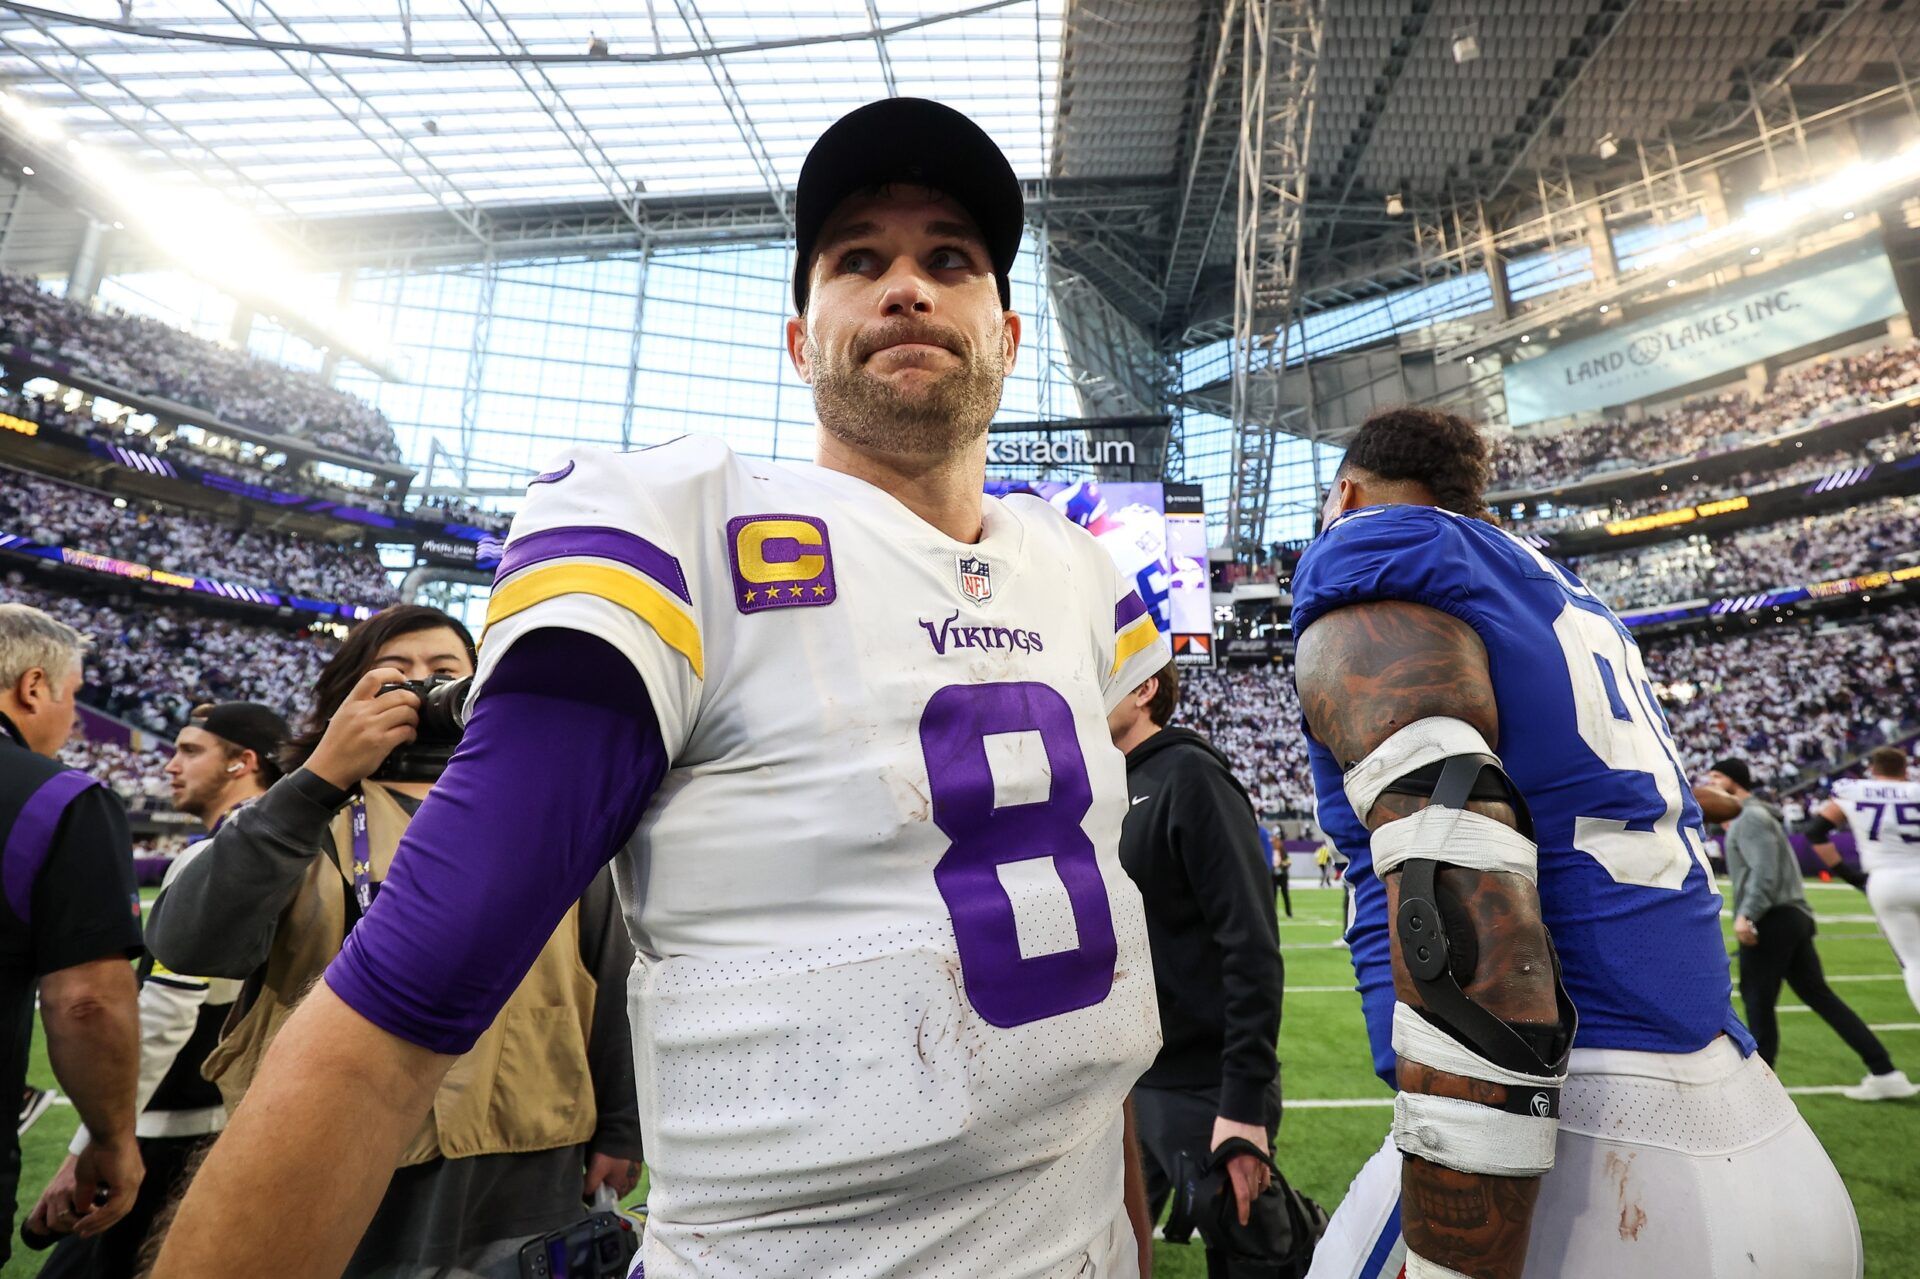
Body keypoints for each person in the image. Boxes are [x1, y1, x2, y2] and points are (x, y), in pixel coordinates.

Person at [153, 97, 1169, 1279]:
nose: (907, 286)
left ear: (1005, 330)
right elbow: (393, 1019)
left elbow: (1089, 1034)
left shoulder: (1082, 573)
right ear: (800, 339)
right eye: (858, 260)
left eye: (950, 258)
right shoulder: (683, 530)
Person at [1291, 409, 1859, 1279]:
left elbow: (1464, 879)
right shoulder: (1560, 595)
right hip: (1757, 1128)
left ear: (1348, 493)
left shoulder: (1373, 553)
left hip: (1587, 1144)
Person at [145, 606, 643, 1277]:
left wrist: (621, 1124)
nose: (419, 688)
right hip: (323, 1147)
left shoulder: (547, 812)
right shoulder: (301, 813)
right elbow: (189, 940)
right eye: (394, 670)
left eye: (444, 672)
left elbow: (611, 976)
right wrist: (319, 776)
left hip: (526, 1147)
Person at [30, 701, 288, 1278]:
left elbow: (168, 1011)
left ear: (241, 763)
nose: (170, 766)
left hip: (167, 1133)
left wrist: (90, 1147)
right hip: (235, 1124)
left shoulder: (213, 857)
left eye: (190, 751)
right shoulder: (300, 852)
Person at [1110, 659, 1306, 1274]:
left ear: (1145, 689)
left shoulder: (1189, 773)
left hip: (1201, 1081)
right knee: (1110, 1246)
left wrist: (1243, 1103)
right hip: (1129, 1077)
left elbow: (1249, 940)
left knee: (1253, 1248)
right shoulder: (1098, 785)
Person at [0, 602, 143, 1265]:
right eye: (74, 695)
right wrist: (110, 1139)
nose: (76, 718)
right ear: (33, 686)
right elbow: (86, 1002)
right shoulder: (59, 799)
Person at [1701, 757, 1914, 1102]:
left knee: (1758, 1000)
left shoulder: (1750, 817)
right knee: (1819, 997)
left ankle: (1758, 1090)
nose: (1708, 784)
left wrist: (1748, 915)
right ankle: (1884, 1069)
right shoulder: (1757, 815)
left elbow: (1764, 873)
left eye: (1715, 777)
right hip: (1790, 916)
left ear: (1733, 782)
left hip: (1774, 917)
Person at [1810, 745, 1920, 1016]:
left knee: (1915, 961)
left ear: (1872, 769)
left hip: (1886, 881)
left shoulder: (1853, 790)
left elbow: (1816, 833)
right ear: (1904, 769)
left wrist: (1852, 877)